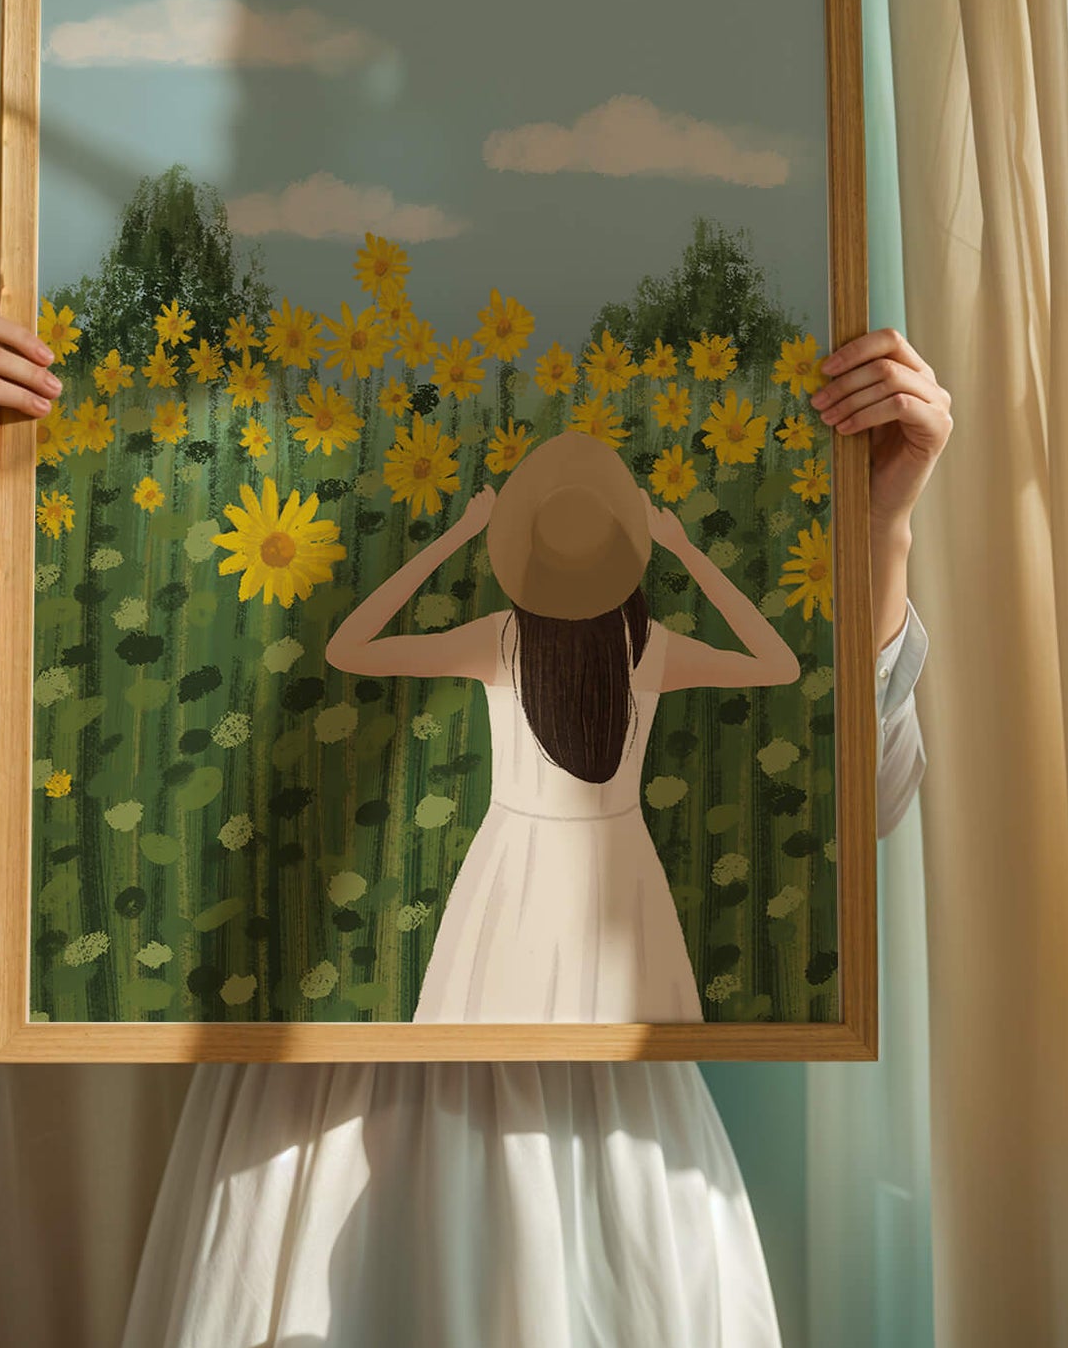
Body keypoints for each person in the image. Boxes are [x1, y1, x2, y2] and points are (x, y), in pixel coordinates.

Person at [0, 313, 948, 1348]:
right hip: (311, 1114)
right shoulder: (559, 642)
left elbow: (870, 802)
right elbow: (28, 815)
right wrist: (12, 515)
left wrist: (876, 531)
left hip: (592, 1095)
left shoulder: (564, 644)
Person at [324, 432, 803, 1024]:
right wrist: (685, 550)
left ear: (528, 557)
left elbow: (348, 648)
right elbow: (779, 665)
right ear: (621, 560)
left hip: (513, 862)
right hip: (617, 862)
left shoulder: (498, 641)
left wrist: (457, 536)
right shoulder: (647, 649)